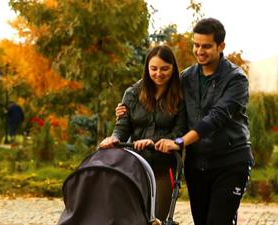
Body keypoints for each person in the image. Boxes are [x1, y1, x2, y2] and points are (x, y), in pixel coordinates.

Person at [117, 18, 253, 225]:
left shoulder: (236, 79)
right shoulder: (187, 77)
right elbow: (154, 85)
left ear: (221, 46)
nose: (199, 51)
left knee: (218, 221)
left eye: (206, 46)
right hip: (197, 164)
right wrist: (125, 105)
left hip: (230, 161)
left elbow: (216, 117)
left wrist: (179, 142)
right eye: (196, 45)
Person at [99, 45, 187, 220]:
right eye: (154, 69)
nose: (158, 74)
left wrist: (152, 142)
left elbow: (180, 131)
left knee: (157, 218)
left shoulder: (180, 96)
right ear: (147, 68)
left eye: (165, 69)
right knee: (131, 217)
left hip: (164, 168)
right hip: (135, 168)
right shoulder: (132, 94)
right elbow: (122, 128)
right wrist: (114, 138)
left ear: (173, 68)